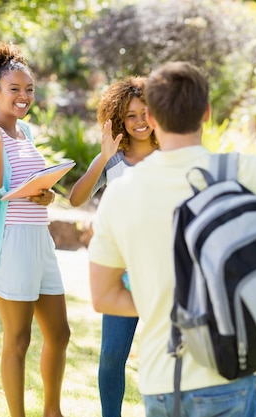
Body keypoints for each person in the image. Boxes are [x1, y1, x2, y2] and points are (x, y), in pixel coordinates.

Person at [87, 38, 256, 417]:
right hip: (228, 375)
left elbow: (103, 296)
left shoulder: (121, 191)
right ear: (207, 113)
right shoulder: (240, 172)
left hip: (161, 383)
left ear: (150, 118)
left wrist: (166, 305)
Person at [0, 42, 70, 417]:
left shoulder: (27, 134)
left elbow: (29, 185)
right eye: (14, 90)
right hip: (13, 243)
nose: (23, 97)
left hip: (41, 238)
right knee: (18, 338)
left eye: (29, 90)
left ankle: (52, 412)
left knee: (60, 334)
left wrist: (47, 195)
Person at [69, 76, 158, 417]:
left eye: (145, 113)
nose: (138, 122)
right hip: (120, 275)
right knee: (111, 356)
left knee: (162, 356)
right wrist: (103, 157)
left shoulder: (170, 157)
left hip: (163, 274)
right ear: (120, 119)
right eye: (131, 116)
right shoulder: (114, 160)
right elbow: (77, 198)